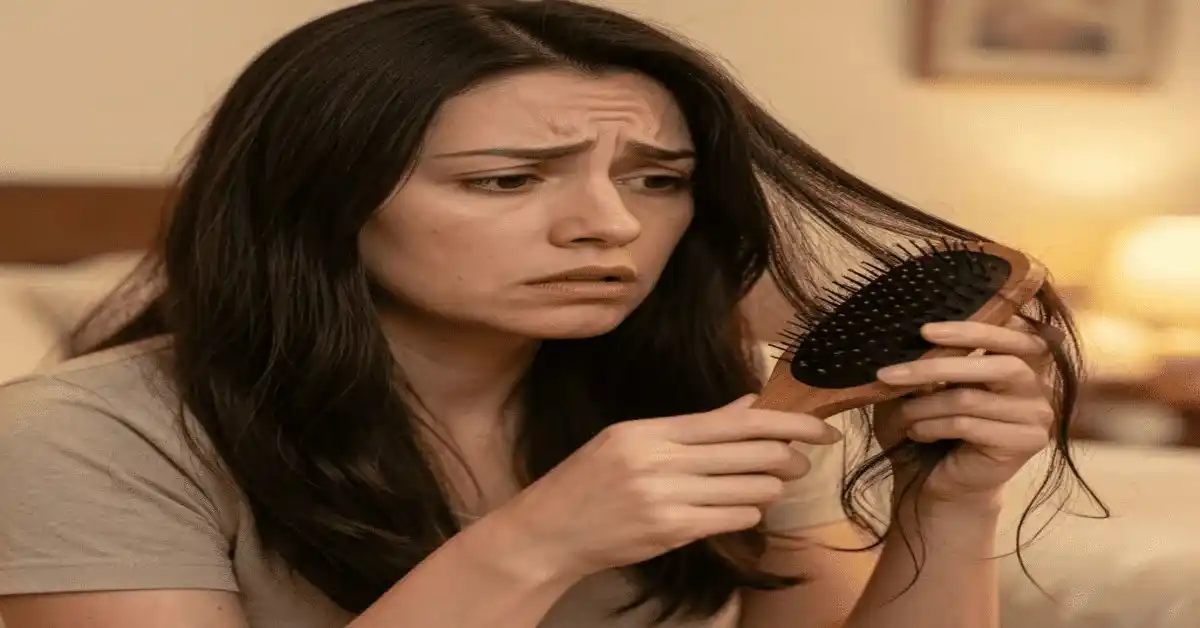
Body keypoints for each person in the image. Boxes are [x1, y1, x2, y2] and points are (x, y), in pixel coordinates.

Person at [0, 1, 1097, 627]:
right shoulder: (85, 438)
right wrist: (535, 543)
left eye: (659, 179)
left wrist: (949, 514)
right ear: (323, 203)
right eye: (507, 180)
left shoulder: (733, 401)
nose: (607, 225)